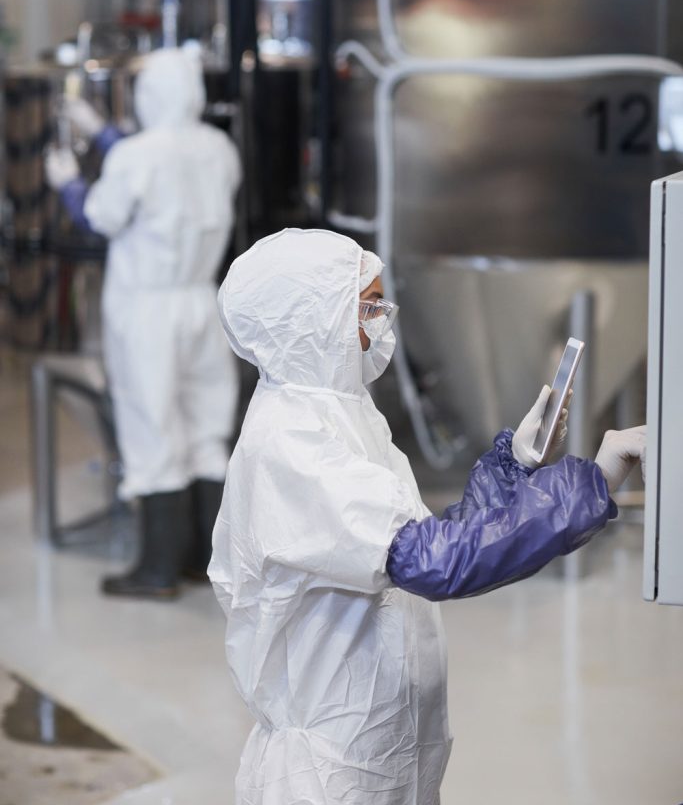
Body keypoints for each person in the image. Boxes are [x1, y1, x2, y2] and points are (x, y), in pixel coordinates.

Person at [208, 227, 646, 805]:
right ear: (310, 320)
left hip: (386, 755)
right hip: (329, 777)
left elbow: (414, 537)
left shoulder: (343, 412)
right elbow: (433, 562)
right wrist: (594, 481)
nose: (381, 322)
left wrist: (510, 466)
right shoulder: (289, 443)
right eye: (367, 306)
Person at [46, 47, 242, 599]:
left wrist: (67, 183)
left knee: (152, 429)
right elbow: (161, 171)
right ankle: (201, 561)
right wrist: (106, 133)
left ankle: (155, 570)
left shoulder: (136, 157)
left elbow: (101, 215)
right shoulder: (218, 148)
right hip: (205, 304)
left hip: (148, 310)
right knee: (205, 428)